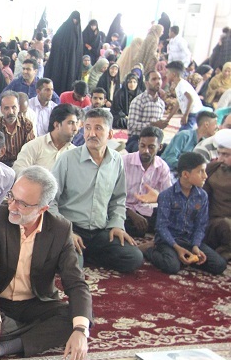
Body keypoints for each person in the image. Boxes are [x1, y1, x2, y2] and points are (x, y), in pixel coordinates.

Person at [0, 165, 92, 360]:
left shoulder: (60, 229)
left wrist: (80, 331)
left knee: (77, 318)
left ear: (43, 209)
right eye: (12, 197)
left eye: (22, 204)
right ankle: (22, 334)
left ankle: (7, 346)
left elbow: (75, 282)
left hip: (35, 302)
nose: (12, 206)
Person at [51, 108, 144, 273]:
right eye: (87, 128)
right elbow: (50, 201)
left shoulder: (116, 161)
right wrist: (66, 232)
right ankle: (75, 254)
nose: (91, 134)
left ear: (110, 134)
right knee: (73, 267)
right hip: (71, 228)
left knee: (134, 258)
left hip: (100, 232)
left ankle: (86, 254)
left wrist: (117, 225)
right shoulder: (67, 159)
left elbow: (118, 199)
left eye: (98, 128)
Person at [143, 152, 226, 275]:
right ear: (186, 174)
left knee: (219, 265)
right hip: (169, 241)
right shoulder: (167, 195)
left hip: (190, 241)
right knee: (171, 266)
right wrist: (177, 247)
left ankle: (185, 257)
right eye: (201, 171)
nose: (205, 176)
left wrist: (196, 246)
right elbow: (161, 227)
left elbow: (201, 225)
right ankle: (150, 250)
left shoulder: (202, 196)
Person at [123, 126, 172, 237]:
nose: (145, 151)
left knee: (173, 219)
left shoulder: (162, 167)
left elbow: (169, 199)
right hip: (123, 209)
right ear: (138, 144)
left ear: (160, 147)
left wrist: (158, 197)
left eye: (151, 147)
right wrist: (131, 214)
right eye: (142, 146)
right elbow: (111, 196)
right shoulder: (124, 162)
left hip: (146, 210)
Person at [14, 104, 79, 173]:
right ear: (57, 125)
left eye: (76, 123)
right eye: (70, 123)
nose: (75, 128)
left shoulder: (75, 153)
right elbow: (18, 171)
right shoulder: (34, 146)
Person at [0, 91, 35, 166]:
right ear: (1, 110)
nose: (11, 112)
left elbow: (29, 151)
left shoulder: (27, 125)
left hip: (21, 164)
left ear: (18, 108)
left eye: (13, 107)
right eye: (6, 108)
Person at [203, 131, 231, 260]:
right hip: (213, 221)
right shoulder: (211, 168)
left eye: (226, 155)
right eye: (219, 153)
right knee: (225, 224)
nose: (220, 158)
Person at [125, 70, 169, 153]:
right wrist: (152, 125)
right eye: (154, 79)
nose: (158, 82)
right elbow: (131, 125)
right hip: (137, 140)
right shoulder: (138, 101)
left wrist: (161, 126)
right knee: (143, 151)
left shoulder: (161, 103)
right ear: (147, 83)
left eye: (159, 79)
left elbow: (158, 127)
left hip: (154, 141)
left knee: (168, 149)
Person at [44, 11, 82, 94]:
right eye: (74, 19)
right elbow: (56, 40)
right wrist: (62, 52)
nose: (75, 21)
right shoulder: (64, 27)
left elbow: (79, 50)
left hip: (72, 63)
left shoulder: (78, 32)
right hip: (60, 60)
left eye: (77, 19)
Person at [164, 61, 204, 131]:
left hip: (193, 112)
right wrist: (168, 118)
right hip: (190, 112)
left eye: (167, 73)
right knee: (183, 131)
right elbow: (178, 103)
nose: (166, 75)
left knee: (185, 132)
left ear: (173, 74)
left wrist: (186, 115)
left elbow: (190, 99)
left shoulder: (182, 85)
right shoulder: (178, 85)